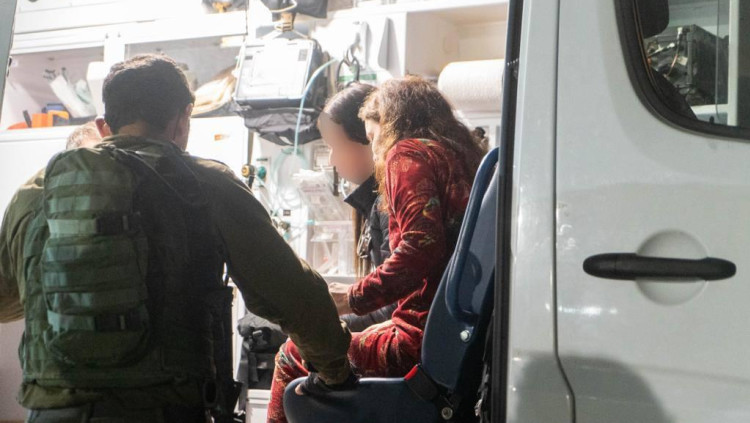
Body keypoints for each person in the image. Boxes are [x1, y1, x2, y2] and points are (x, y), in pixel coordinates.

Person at [0, 54, 354, 422]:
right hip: (160, 411)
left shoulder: (37, 192)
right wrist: (336, 371)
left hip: (50, 413)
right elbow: (292, 294)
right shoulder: (204, 184)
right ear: (184, 118)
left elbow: (4, 299)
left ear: (104, 125)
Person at [267, 75, 487, 423]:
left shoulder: (405, 154)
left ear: (391, 125)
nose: (374, 152)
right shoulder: (462, 157)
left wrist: (349, 298)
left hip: (415, 341)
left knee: (293, 352)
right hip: (454, 340)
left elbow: (419, 249)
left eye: (372, 138)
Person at [317, 83, 396, 332]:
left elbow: (392, 309)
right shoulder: (377, 202)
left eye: (336, 146)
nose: (332, 160)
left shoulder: (388, 205)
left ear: (369, 140)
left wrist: (328, 322)